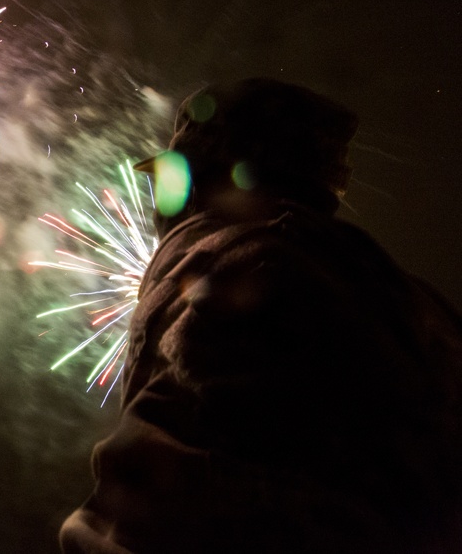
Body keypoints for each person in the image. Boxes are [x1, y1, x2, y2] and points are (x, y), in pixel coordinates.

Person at [59, 78, 462, 553]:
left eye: (171, 181)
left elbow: (160, 501)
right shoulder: (419, 305)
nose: (157, 209)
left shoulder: (226, 263)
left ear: (222, 179)